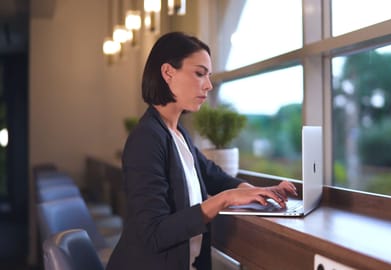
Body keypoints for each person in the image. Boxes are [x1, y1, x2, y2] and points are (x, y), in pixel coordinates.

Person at [105, 32, 297, 270]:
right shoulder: (146, 139)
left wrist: (259, 192)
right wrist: (224, 200)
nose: (208, 85)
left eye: (209, 75)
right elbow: (154, 234)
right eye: (199, 73)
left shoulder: (178, 134)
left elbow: (214, 176)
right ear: (168, 73)